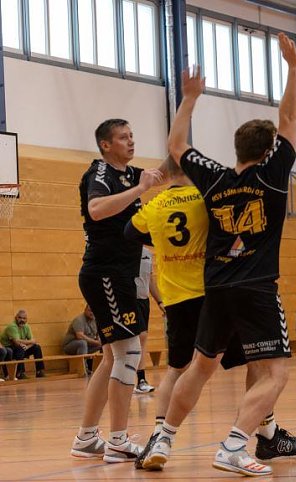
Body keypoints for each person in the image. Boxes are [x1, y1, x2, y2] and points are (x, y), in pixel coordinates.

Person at [142, 33, 296, 477]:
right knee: (275, 373)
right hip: (255, 286)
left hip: (214, 285)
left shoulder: (212, 179)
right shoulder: (273, 176)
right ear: (268, 149)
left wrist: (189, 98)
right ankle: (235, 445)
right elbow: (289, 115)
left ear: (236, 149)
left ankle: (165, 436)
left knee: (200, 366)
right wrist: (292, 68)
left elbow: (177, 147)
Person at [70, 118, 164, 463]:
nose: (131, 141)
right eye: (123, 137)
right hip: (106, 273)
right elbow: (96, 211)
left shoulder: (129, 174)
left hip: (123, 274)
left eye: (132, 135)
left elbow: (163, 170)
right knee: (128, 354)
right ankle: (119, 440)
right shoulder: (99, 175)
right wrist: (140, 190)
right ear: (106, 145)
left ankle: (86, 437)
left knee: (112, 357)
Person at [133, 246, 164, 394]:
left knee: (142, 339)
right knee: (140, 337)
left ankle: (140, 381)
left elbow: (150, 279)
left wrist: (160, 301)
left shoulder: (147, 253)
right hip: (129, 299)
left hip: (143, 300)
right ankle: (138, 380)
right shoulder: (125, 249)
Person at [1, 310, 45, 379]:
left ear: (26, 319)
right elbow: (16, 342)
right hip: (9, 350)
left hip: (21, 348)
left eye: (24, 318)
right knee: (19, 348)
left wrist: (27, 347)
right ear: (16, 318)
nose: (22, 320)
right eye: (20, 318)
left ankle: (40, 371)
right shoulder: (12, 326)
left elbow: (33, 341)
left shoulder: (27, 326)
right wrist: (30, 342)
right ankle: (20, 373)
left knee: (37, 347)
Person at [61, 305, 102, 374]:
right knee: (82, 343)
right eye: (89, 310)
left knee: (104, 344)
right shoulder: (79, 320)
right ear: (85, 310)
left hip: (86, 346)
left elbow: (98, 333)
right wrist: (96, 342)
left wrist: (100, 341)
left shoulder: (95, 320)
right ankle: (83, 369)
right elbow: (80, 336)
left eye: (93, 311)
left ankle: (103, 367)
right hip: (70, 346)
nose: (92, 313)